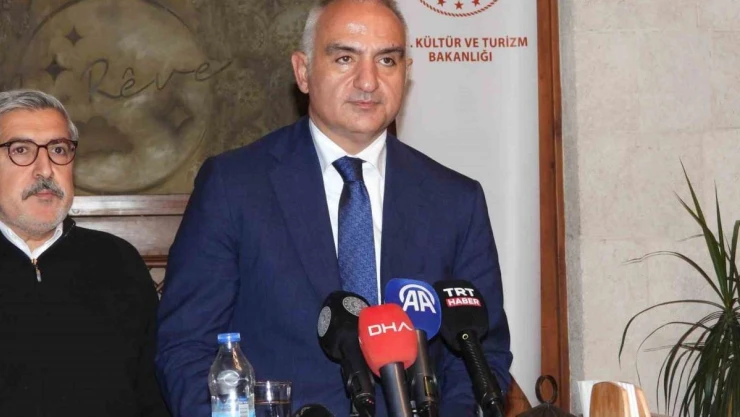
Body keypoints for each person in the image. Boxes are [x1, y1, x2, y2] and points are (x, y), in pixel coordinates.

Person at [155, 0, 512, 416]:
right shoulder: (235, 186)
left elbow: (480, 357)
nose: (368, 81)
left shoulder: (455, 200)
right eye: (345, 58)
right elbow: (187, 347)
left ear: (406, 72)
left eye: (387, 60)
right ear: (303, 71)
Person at [0, 89, 170, 417]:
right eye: (21, 150)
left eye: (58, 149)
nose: (45, 170)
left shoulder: (118, 262)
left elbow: (154, 394)